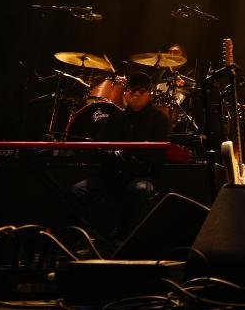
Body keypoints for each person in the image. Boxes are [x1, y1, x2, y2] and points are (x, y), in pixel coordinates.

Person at [72, 72, 174, 241]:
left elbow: (160, 155)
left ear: (149, 95)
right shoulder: (115, 118)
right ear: (125, 94)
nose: (136, 94)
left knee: (139, 189)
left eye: (141, 91)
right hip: (113, 175)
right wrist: (110, 157)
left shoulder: (160, 120)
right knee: (77, 191)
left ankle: (125, 240)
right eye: (132, 90)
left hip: (144, 175)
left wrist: (131, 159)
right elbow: (99, 147)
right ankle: (80, 239)